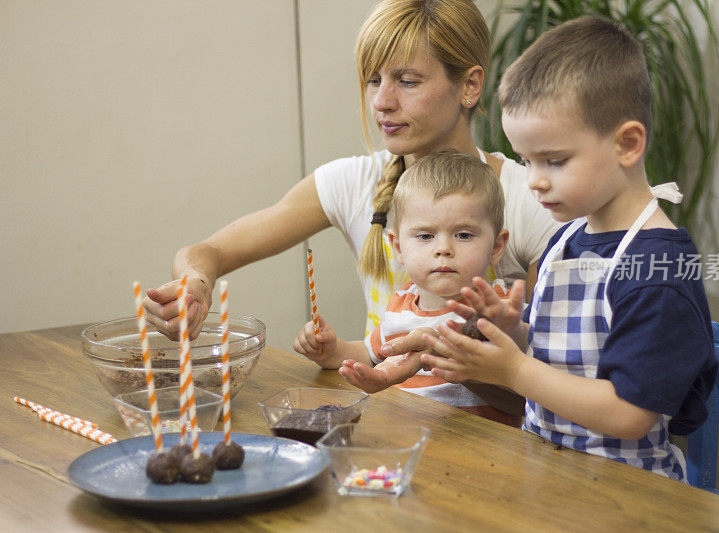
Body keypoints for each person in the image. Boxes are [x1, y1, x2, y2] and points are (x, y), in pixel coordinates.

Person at [142, 0, 559, 345]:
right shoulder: (352, 182)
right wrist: (194, 285)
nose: (381, 102)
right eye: (372, 80)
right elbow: (206, 253)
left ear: (469, 86)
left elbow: (552, 372)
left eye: (407, 81)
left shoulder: (530, 200)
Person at [417, 16, 718, 481]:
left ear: (627, 144)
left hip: (629, 493)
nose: (534, 180)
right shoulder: (566, 241)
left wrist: (513, 371)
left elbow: (628, 414)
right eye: (525, 160)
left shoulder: (656, 267)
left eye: (554, 160)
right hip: (549, 476)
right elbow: (558, 359)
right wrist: (512, 332)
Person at [293, 150, 522, 426]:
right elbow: (372, 354)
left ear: (497, 246)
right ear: (398, 247)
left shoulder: (500, 310)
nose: (443, 249)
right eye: (425, 236)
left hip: (480, 452)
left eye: (463, 235)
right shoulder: (400, 302)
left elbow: (524, 392)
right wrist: (331, 351)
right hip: (404, 439)